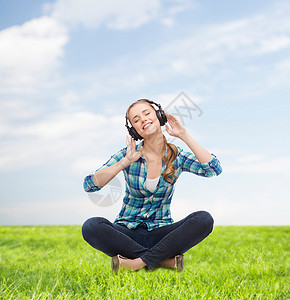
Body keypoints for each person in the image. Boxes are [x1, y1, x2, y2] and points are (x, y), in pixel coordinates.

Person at [82, 99, 222, 272]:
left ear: (159, 115)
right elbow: (90, 185)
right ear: (134, 129)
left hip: (162, 234)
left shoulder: (177, 156)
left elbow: (213, 169)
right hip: (127, 233)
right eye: (136, 119)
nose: (143, 120)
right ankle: (162, 261)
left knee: (204, 219)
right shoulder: (129, 154)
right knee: (91, 226)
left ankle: (135, 263)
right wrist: (123, 163)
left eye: (147, 113)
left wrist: (184, 135)